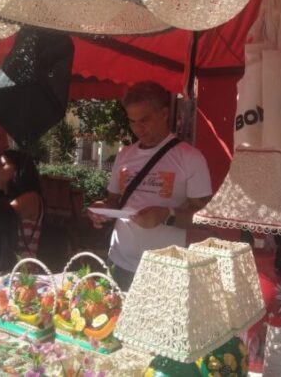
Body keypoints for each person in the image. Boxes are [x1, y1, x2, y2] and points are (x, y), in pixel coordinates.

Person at [88, 81, 213, 290]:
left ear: (164, 114)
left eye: (144, 120)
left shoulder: (190, 157)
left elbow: (205, 218)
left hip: (165, 269)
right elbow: (114, 201)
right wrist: (102, 210)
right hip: (119, 261)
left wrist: (166, 215)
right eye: (132, 121)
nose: (138, 128)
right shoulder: (125, 155)